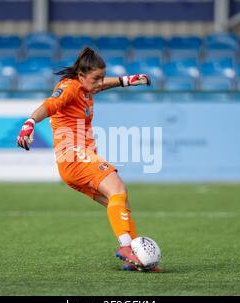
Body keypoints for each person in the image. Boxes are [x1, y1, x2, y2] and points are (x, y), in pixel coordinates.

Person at [17, 47, 159, 272]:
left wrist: (125, 80)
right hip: (73, 155)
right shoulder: (69, 87)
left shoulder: (85, 87)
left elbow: (102, 84)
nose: (100, 83)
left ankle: (135, 259)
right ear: (81, 76)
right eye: (96, 78)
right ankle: (126, 247)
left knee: (121, 202)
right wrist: (30, 122)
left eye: (102, 77)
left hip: (74, 162)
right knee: (118, 189)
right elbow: (50, 105)